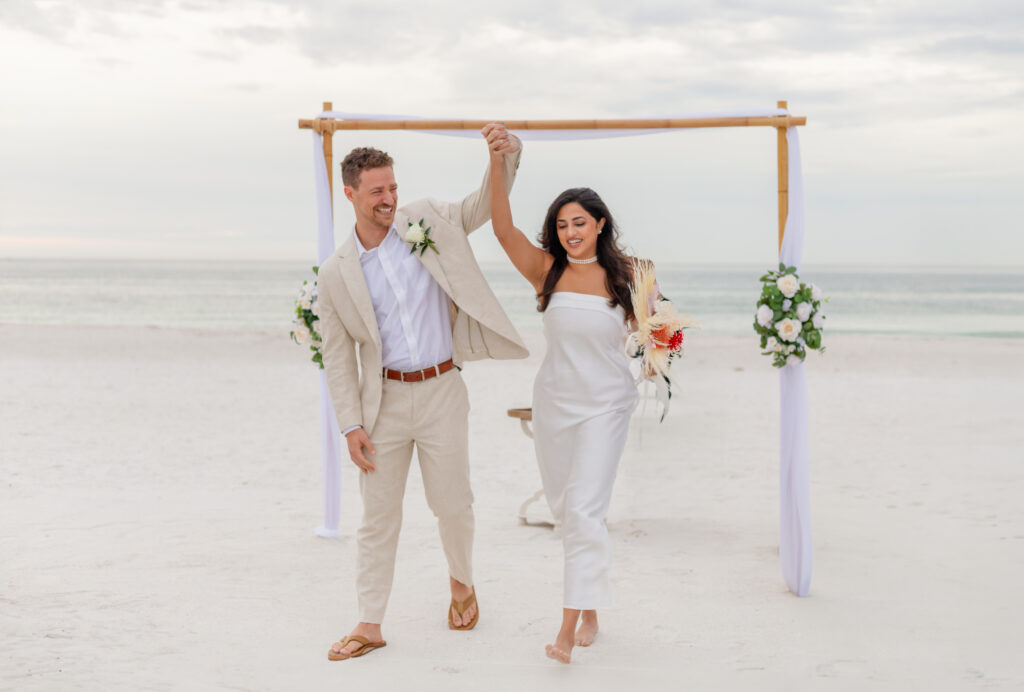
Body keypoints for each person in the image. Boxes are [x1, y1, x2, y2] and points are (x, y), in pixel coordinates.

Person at [317, 130, 528, 660]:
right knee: (377, 517)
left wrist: (503, 157)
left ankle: (461, 583)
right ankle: (369, 623)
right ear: (350, 194)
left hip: (442, 391)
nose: (388, 198)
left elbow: (483, 205)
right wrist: (350, 425)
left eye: (392, 186)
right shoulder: (335, 274)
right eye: (375, 192)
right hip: (382, 404)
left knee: (453, 504)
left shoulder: (426, 218)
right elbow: (338, 358)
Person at [481, 123, 641, 663]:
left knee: (585, 511)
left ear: (600, 224)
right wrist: (497, 161)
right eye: (562, 224)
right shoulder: (546, 271)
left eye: (580, 222)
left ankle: (567, 630)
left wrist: (660, 344)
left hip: (607, 406)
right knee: (563, 507)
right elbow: (501, 229)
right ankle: (590, 605)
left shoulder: (632, 275)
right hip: (555, 405)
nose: (571, 232)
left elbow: (655, 335)